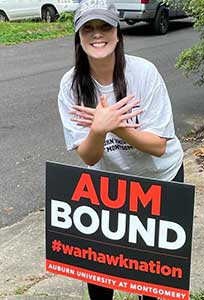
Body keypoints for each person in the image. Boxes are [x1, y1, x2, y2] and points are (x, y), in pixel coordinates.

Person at [58, 0, 184, 299]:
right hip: (109, 187)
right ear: (78, 37)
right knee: (100, 275)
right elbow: (89, 156)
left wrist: (115, 126)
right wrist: (99, 129)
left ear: (118, 33)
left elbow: (157, 145)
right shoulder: (71, 85)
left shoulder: (143, 73)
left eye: (104, 27)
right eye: (87, 28)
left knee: (153, 279)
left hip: (160, 179)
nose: (97, 35)